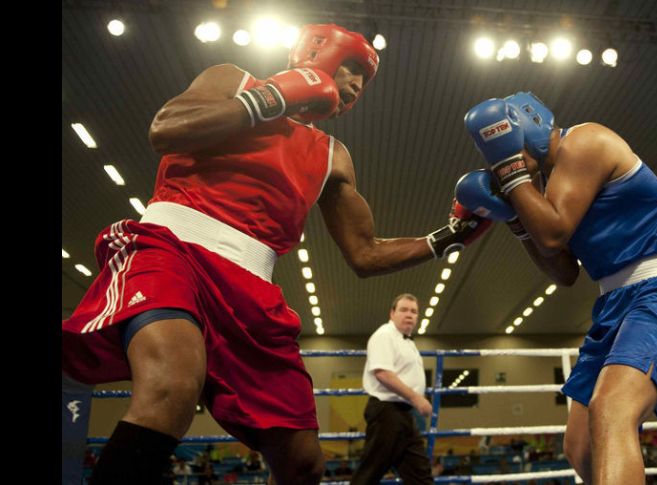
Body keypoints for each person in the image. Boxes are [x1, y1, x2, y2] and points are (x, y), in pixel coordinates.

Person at [61, 23, 491, 485]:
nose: (352, 86)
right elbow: (166, 129)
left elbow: (365, 254)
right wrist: (271, 99)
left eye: (362, 83)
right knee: (171, 387)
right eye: (349, 70)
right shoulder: (233, 80)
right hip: (171, 254)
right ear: (311, 53)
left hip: (251, 290)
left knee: (303, 461)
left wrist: (450, 238)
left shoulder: (333, 156)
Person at [458, 92, 657, 485]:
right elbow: (564, 271)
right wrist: (515, 221)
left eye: (508, 151)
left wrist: (510, 177)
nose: (507, 164)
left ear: (529, 129)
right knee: (579, 446)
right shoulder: (550, 188)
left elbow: (554, 235)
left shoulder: (585, 141)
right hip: (614, 302)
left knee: (612, 409)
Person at [350, 294, 434, 485]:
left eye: (413, 311)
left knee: (421, 476)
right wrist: (416, 398)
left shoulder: (408, 342)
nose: (409, 315)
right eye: (404, 310)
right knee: (368, 474)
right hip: (386, 412)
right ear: (392, 313)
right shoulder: (384, 335)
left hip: (403, 414)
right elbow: (383, 373)